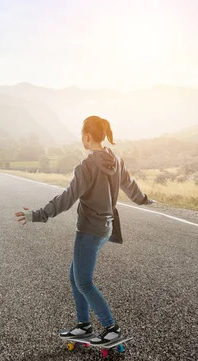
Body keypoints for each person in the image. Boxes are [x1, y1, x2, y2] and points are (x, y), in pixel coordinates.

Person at [15, 116, 155, 345]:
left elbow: (67, 198)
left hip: (89, 230)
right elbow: (131, 188)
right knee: (75, 277)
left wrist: (38, 214)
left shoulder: (87, 167)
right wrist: (145, 200)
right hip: (106, 228)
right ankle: (84, 325)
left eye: (82, 134)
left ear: (87, 136)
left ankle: (111, 328)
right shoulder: (117, 161)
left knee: (84, 282)